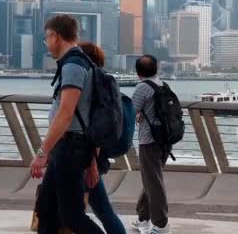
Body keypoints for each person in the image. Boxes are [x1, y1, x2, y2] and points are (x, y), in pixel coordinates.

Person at [30, 15, 105, 234]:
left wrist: (42, 152)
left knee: (71, 215)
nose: (46, 43)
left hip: (70, 148)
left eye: (46, 38)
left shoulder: (73, 65)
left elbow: (65, 114)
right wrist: (91, 160)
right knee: (47, 210)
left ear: (55, 36)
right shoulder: (81, 61)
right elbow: (88, 115)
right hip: (69, 147)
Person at [78, 42, 126, 234]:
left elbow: (97, 127)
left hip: (85, 156)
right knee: (102, 210)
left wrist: (92, 163)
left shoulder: (92, 85)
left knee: (72, 214)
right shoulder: (100, 82)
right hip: (91, 157)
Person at [130, 55, 172, 234]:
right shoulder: (163, 85)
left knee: (153, 183)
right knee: (151, 180)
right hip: (165, 140)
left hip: (149, 141)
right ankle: (143, 218)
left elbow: (131, 111)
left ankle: (161, 225)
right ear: (157, 68)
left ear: (138, 72)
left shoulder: (142, 87)